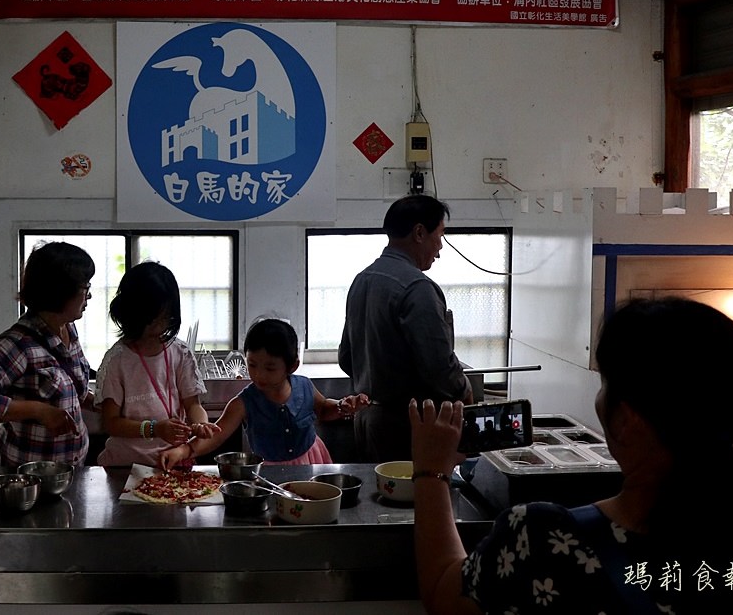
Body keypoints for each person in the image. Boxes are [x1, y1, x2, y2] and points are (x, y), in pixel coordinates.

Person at [409, 297, 733, 614]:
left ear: (626, 420)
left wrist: (430, 472)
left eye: (604, 384)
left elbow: (445, 594)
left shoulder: (541, 540)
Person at [338, 194, 472, 463]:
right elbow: (439, 368)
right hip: (406, 426)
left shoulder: (362, 279)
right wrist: (464, 389)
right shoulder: (417, 288)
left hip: (365, 422)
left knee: (379, 502)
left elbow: (345, 358)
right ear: (420, 233)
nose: (440, 247)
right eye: (440, 235)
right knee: (414, 502)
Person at [0, 241, 96, 468]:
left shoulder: (68, 329)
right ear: (61, 291)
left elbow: (74, 390)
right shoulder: (17, 345)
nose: (89, 296)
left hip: (69, 471)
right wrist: (39, 411)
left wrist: (104, 403)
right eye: (85, 287)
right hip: (26, 479)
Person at [161, 318, 369, 469]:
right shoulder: (243, 402)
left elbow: (324, 410)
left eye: (270, 368)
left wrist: (342, 406)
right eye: (252, 364)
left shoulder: (304, 386)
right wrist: (184, 450)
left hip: (312, 461)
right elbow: (216, 434)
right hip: (269, 471)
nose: (259, 374)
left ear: (292, 366)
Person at [94, 261, 220, 467]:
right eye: (153, 319)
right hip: (125, 466)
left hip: (173, 463)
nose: (160, 325)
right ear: (132, 314)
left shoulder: (180, 353)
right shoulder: (117, 360)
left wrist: (201, 424)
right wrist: (155, 429)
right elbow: (111, 423)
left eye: (166, 318)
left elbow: (193, 405)